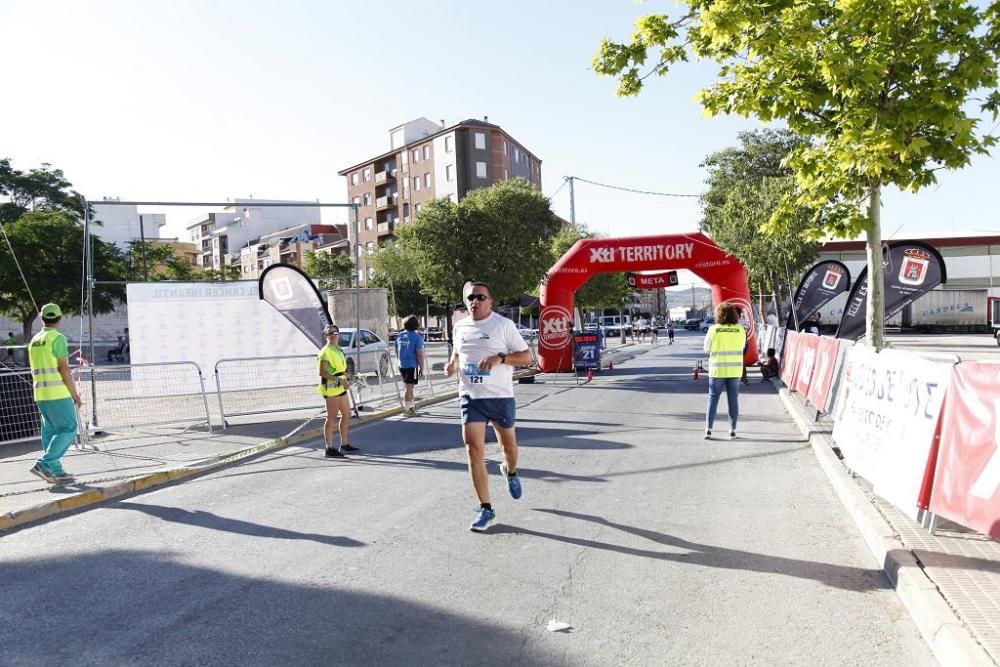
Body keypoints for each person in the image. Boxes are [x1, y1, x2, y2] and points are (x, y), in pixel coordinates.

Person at [445, 281, 531, 532]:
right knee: (473, 449)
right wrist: (451, 366)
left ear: (490, 302)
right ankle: (485, 508)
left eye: (481, 297)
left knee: (509, 448)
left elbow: (526, 357)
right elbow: (458, 355)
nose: (475, 301)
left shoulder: (503, 325)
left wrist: (500, 359)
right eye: (471, 297)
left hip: (500, 397)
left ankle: (510, 472)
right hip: (471, 396)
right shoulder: (459, 327)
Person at [27, 303, 83, 484]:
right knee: (69, 428)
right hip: (58, 392)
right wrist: (75, 394)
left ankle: (55, 471)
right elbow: (64, 369)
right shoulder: (58, 338)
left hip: (40, 394)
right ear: (59, 319)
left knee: (50, 432)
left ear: (42, 319)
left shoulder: (35, 340)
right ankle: (45, 463)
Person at [703, 301, 746, 441]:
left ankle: (708, 430)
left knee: (713, 399)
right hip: (734, 370)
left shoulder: (713, 330)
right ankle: (732, 430)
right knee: (733, 400)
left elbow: (706, 349)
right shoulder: (740, 330)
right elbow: (742, 346)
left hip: (717, 370)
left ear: (719, 315)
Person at [317, 323, 358, 458]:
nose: (333, 335)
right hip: (331, 389)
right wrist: (339, 380)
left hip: (340, 387)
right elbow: (322, 372)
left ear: (338, 334)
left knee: (346, 415)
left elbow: (340, 369)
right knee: (331, 418)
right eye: (329, 333)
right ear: (326, 336)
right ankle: (329, 448)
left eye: (335, 333)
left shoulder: (339, 349)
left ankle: (344, 444)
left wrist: (350, 376)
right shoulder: (325, 351)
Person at [395, 314, 425, 415]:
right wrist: (422, 368)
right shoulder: (417, 337)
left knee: (408, 386)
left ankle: (411, 406)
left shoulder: (400, 335)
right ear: (416, 325)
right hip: (412, 365)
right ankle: (407, 409)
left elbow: (396, 350)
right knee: (409, 387)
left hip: (401, 364)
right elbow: (420, 354)